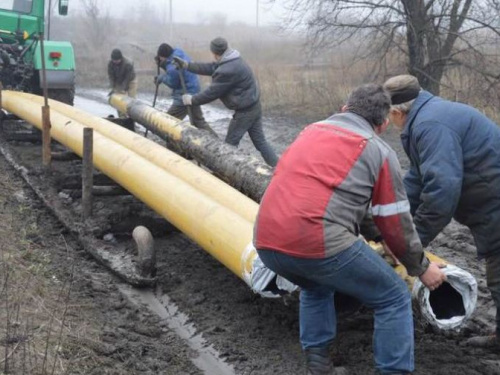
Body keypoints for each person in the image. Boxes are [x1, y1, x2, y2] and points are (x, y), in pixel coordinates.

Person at [253, 83, 446, 375]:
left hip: (266, 240)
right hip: (316, 241)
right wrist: (421, 268)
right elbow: (395, 222)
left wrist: (379, 238)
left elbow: (353, 207)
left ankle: (318, 364)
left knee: (315, 285)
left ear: (344, 110)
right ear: (382, 124)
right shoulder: (378, 151)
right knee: (392, 296)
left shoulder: (311, 131)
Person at [384, 74, 500, 349]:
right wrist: (392, 218)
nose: (388, 123)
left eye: (389, 116)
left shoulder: (430, 125)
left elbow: (441, 193)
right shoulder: (428, 116)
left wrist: (412, 244)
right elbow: (417, 177)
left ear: (398, 111)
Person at [174, 37, 279, 167]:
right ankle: (279, 168)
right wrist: (187, 65)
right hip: (254, 106)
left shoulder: (227, 70)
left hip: (245, 112)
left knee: (229, 145)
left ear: (215, 52)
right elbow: (211, 68)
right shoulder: (232, 59)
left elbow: (212, 92)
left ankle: (225, 174)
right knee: (260, 142)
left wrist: (192, 99)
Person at [154, 43, 216, 136]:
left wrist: (162, 78)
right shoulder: (179, 53)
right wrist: (164, 64)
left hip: (185, 94)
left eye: (161, 57)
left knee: (169, 121)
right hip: (194, 88)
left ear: (163, 56)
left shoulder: (172, 68)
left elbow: (173, 83)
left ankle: (171, 143)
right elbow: (174, 70)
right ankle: (216, 141)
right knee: (198, 121)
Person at [107, 48, 137, 117]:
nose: (115, 62)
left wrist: (123, 89)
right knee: (119, 100)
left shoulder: (128, 64)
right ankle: (122, 116)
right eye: (114, 60)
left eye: (117, 60)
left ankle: (131, 118)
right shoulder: (110, 64)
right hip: (118, 80)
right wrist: (114, 88)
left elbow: (127, 79)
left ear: (121, 58)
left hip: (130, 80)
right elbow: (111, 77)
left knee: (131, 100)